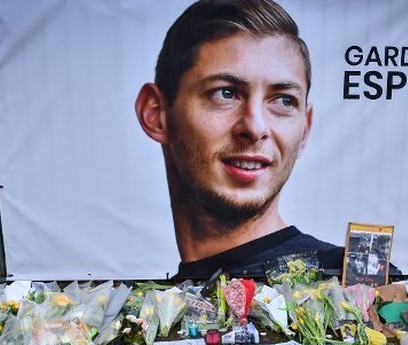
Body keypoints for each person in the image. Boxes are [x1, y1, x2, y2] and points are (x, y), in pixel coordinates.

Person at [135, 0, 343, 279]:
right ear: (156, 113)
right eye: (225, 93)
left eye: (284, 100)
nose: (255, 128)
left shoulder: (355, 288)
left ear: (304, 130)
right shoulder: (134, 302)